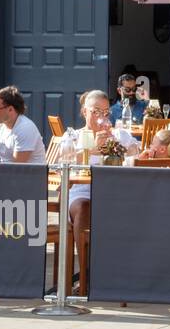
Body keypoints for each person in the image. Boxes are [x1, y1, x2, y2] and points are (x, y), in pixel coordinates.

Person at [54, 90, 142, 296]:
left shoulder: (119, 134)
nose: (101, 117)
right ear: (84, 112)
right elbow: (61, 165)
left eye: (105, 112)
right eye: (95, 112)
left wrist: (118, 147)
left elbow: (138, 155)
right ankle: (87, 277)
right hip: (82, 192)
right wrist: (91, 149)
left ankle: (128, 275)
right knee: (84, 208)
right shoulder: (73, 136)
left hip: (114, 193)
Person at [0, 86, 46, 164]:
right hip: (7, 173)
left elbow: (17, 168)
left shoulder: (25, 128)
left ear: (10, 109)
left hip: (28, 175)